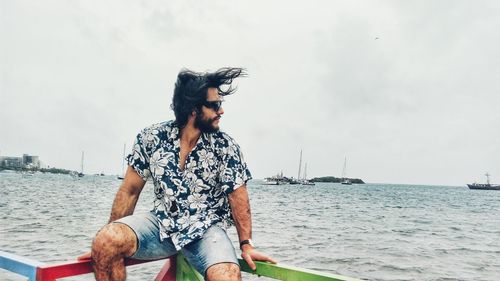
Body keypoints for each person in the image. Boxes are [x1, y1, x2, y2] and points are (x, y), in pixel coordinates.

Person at [78, 67, 276, 281]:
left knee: (226, 276)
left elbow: (238, 196)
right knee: (105, 242)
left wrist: (246, 244)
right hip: (161, 225)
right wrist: (108, 240)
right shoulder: (151, 138)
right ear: (193, 109)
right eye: (215, 105)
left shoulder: (226, 146)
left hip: (206, 231)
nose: (221, 111)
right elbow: (130, 190)